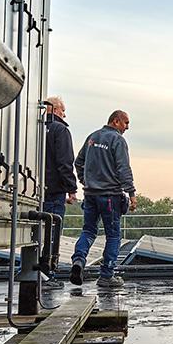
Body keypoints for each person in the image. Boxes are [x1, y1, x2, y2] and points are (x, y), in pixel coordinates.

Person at [69, 110, 135, 288]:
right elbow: (123, 168)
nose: (127, 127)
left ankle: (79, 261)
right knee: (113, 236)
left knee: (88, 231)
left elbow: (78, 162)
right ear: (116, 121)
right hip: (110, 196)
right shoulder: (117, 140)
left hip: (90, 195)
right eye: (126, 123)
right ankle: (106, 276)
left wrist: (86, 181)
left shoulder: (93, 137)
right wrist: (132, 193)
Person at [41, 96, 77, 281]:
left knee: (34, 234)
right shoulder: (60, 130)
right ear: (55, 110)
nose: (65, 114)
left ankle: (32, 270)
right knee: (52, 234)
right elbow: (65, 162)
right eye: (63, 110)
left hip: (36, 190)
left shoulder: (35, 128)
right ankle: (48, 274)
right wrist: (71, 189)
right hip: (55, 191)